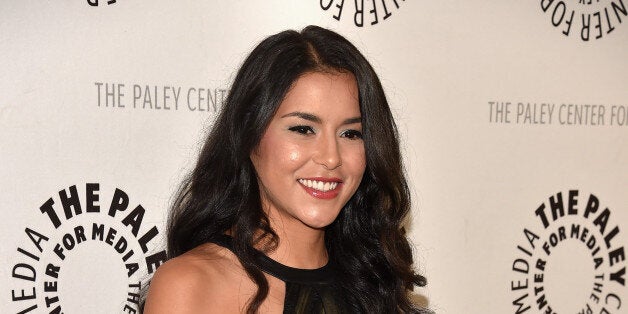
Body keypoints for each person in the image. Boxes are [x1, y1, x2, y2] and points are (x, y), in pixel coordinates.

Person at [143, 25, 427, 313]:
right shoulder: (192, 286)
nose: (331, 158)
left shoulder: (377, 286)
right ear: (249, 136)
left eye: (351, 134)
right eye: (303, 129)